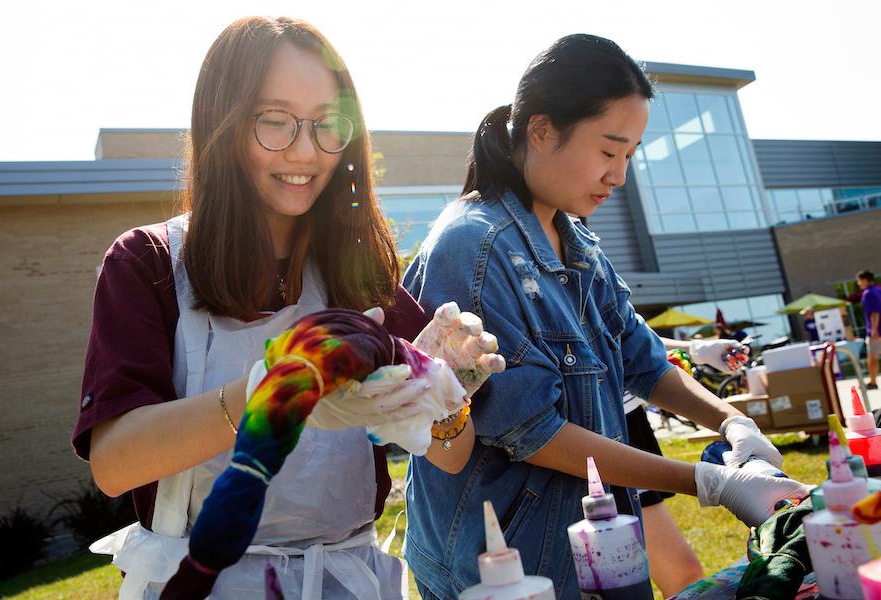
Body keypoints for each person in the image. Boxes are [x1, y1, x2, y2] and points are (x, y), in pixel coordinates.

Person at [71, 17, 502, 599]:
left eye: (328, 124)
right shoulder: (148, 262)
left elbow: (451, 459)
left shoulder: (357, 271)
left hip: (348, 581)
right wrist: (265, 395)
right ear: (221, 124)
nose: (305, 151)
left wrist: (447, 390)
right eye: (274, 121)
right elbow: (115, 463)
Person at [402, 34, 809, 598]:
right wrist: (706, 480)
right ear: (541, 131)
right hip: (500, 568)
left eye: (630, 155)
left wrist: (731, 423)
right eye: (608, 151)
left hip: (601, 550)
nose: (618, 176)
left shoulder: (581, 244)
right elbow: (534, 432)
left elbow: (644, 362)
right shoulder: (472, 249)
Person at [623, 336, 747, 596]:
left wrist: (696, 350)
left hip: (627, 421)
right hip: (571, 430)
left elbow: (626, 328)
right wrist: (708, 481)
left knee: (684, 577)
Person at [857, 270, 881, 389]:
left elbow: (875, 312)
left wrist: (874, 329)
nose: (858, 283)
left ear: (865, 280)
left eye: (859, 281)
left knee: (872, 356)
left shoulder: (868, 293)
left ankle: (872, 382)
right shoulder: (879, 290)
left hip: (877, 330)